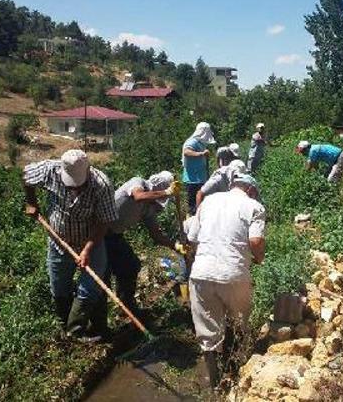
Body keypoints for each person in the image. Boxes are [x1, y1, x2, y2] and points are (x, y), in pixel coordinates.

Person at [22, 149, 117, 343]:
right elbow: (25, 176)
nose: (74, 189)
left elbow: (104, 223)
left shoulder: (102, 184)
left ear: (88, 170)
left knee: (91, 286)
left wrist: (87, 249)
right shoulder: (50, 171)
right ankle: (65, 329)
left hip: (91, 241)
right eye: (70, 184)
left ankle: (80, 329)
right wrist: (31, 202)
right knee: (59, 285)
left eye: (78, 185)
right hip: (59, 242)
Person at [187, 173, 266, 388]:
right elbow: (256, 240)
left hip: (201, 274)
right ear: (251, 191)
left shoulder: (209, 201)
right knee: (238, 323)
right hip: (234, 275)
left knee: (208, 334)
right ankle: (236, 375)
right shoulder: (254, 206)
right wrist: (259, 258)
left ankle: (216, 385)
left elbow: (192, 237)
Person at [103, 171, 177, 322]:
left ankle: (126, 307)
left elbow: (156, 235)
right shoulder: (137, 183)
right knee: (102, 276)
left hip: (114, 236)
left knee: (131, 266)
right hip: (99, 231)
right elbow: (138, 196)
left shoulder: (148, 209)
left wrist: (176, 246)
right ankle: (100, 321)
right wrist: (167, 192)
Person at [183, 122, 216, 215]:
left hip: (200, 178)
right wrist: (201, 154)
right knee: (193, 205)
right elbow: (186, 152)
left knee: (201, 203)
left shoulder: (200, 143)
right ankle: (193, 223)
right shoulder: (192, 142)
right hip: (192, 179)